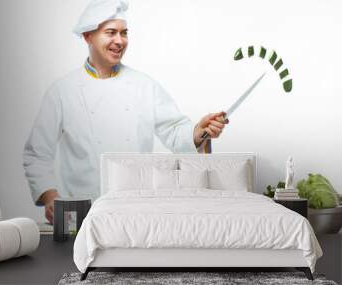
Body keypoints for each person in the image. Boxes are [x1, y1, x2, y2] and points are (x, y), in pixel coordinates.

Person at [23, 0, 228, 224]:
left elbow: (174, 131)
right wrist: (50, 197)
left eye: (124, 33)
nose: (120, 41)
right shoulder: (62, 91)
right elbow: (37, 153)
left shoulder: (144, 86)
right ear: (88, 36)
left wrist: (199, 132)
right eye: (111, 33)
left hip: (137, 211)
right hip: (82, 214)